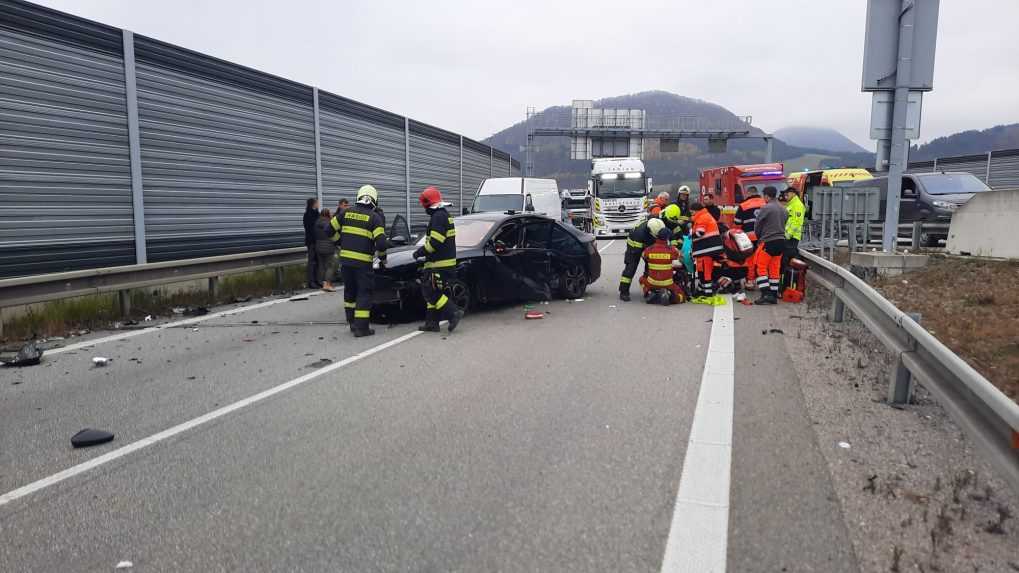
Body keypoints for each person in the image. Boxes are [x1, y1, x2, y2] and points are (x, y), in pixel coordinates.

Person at [330, 185, 387, 337]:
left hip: (346, 262)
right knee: (364, 293)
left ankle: (352, 323)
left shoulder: (345, 213)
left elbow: (328, 230)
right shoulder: (374, 218)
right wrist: (382, 257)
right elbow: (381, 244)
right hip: (363, 264)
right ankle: (362, 328)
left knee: (350, 292)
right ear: (374, 200)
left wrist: (339, 242)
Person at [413, 186, 463, 333]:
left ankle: (453, 313)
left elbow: (435, 242)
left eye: (425, 205)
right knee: (433, 291)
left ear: (429, 203)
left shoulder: (438, 217)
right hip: (443, 263)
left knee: (431, 293)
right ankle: (431, 323)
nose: (424, 208)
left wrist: (419, 252)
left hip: (439, 264)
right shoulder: (444, 215)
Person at [618, 207, 684, 301]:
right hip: (634, 246)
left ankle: (650, 289)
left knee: (652, 265)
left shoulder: (659, 225)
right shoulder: (639, 233)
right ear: (650, 231)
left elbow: (671, 235)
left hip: (649, 244)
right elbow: (640, 253)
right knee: (631, 267)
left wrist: (673, 248)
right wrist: (649, 256)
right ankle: (624, 291)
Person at [753, 186, 789, 305]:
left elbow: (757, 225)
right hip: (781, 242)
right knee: (774, 269)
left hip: (768, 241)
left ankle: (765, 294)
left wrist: (759, 237)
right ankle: (773, 294)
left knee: (760, 267)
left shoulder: (766, 208)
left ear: (767, 196)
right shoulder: (784, 209)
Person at [639, 219, 686, 305]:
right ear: (667, 238)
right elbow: (680, 260)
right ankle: (671, 297)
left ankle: (648, 293)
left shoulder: (649, 249)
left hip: (652, 282)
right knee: (682, 296)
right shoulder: (672, 250)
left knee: (641, 280)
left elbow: (643, 256)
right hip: (668, 283)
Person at [690, 201, 724, 296]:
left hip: (707, 248)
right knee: (702, 271)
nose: (692, 215)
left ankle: (707, 293)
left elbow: (700, 232)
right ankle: (702, 290)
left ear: (696, 211)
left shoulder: (702, 218)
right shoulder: (705, 216)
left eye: (692, 212)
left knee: (705, 272)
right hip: (707, 248)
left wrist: (690, 236)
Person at [313, 209, 337, 292]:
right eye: (330, 213)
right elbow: (332, 234)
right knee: (330, 266)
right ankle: (327, 284)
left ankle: (323, 284)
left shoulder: (317, 222)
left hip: (318, 246)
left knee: (321, 266)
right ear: (327, 214)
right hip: (328, 246)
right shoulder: (329, 223)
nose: (331, 214)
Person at [781, 187, 806, 267]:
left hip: (792, 237)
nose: (785, 197)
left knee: (787, 258)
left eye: (787, 194)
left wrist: (787, 235)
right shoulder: (791, 204)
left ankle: (788, 276)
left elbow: (796, 222)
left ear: (793, 194)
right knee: (786, 258)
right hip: (788, 236)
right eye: (785, 195)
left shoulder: (797, 205)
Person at [303, 197, 321, 289]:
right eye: (317, 203)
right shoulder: (308, 215)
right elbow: (310, 229)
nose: (318, 204)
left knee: (318, 262)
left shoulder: (317, 213)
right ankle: (311, 281)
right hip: (311, 241)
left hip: (318, 241)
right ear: (313, 204)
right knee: (311, 262)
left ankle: (317, 280)